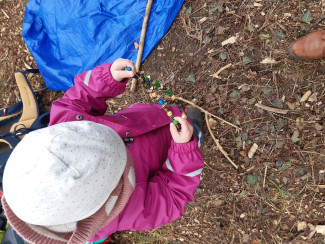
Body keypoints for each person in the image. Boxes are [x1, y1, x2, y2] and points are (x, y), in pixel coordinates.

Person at [1, 58, 204, 244]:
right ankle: (194, 132)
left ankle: (174, 119)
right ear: (114, 191)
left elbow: (77, 99)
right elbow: (173, 195)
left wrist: (106, 78)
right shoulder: (127, 211)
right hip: (168, 153)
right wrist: (184, 150)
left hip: (137, 121)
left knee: (162, 115)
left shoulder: (62, 132)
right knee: (186, 129)